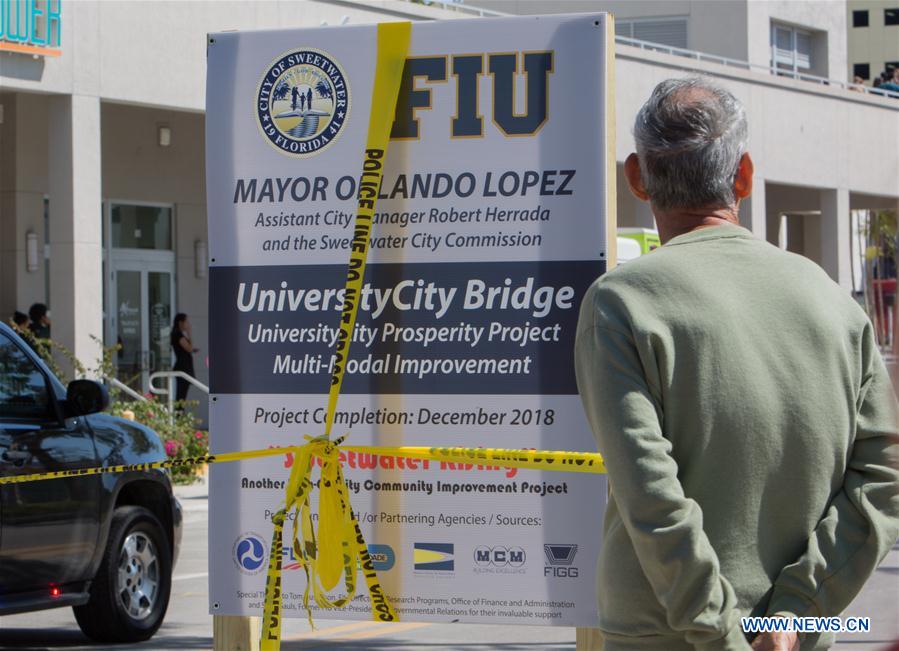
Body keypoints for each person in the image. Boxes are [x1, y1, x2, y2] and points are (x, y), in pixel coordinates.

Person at [575, 77, 899, 651]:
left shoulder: (623, 301)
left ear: (637, 177)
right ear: (744, 175)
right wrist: (797, 610)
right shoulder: (832, 302)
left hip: (664, 635)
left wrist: (720, 631)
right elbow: (883, 478)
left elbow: (651, 496)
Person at [170, 313, 196, 403]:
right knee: (181, 395)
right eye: (186, 322)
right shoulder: (178, 334)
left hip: (184, 367)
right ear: (180, 323)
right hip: (183, 367)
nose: (188, 324)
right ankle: (178, 414)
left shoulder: (178, 334)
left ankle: (179, 413)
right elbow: (189, 348)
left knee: (182, 395)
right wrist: (189, 334)